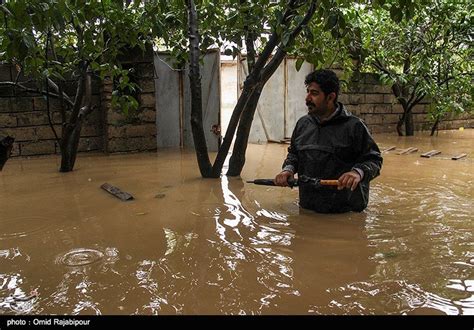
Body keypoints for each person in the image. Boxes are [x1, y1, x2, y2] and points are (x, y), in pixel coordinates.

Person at [274, 69, 382, 213]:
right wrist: (288, 170)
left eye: (314, 93)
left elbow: (374, 160)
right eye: (308, 92)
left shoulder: (354, 126)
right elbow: (294, 155)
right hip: (308, 209)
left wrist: (357, 173)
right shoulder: (302, 124)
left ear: (330, 97)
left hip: (345, 214)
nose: (307, 98)